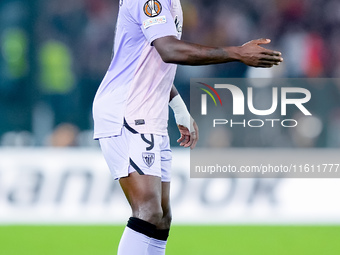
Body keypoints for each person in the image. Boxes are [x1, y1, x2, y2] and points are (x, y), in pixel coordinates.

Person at [92, 0, 283, 254]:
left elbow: (148, 61)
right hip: (127, 110)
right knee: (147, 211)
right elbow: (169, 50)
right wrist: (237, 53)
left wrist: (178, 107)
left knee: (161, 219)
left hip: (150, 113)